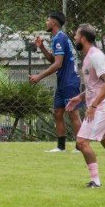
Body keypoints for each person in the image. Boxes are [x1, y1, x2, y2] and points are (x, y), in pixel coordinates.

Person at [65, 24, 105, 188]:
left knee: (82, 142)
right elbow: (95, 86)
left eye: (76, 36)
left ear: (83, 38)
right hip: (102, 106)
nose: (75, 38)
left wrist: (93, 106)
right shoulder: (89, 56)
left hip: (102, 107)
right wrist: (79, 97)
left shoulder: (96, 56)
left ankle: (95, 181)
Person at [29, 12, 82, 153]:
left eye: (47, 20)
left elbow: (58, 64)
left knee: (73, 114)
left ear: (53, 23)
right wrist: (42, 47)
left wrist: (39, 77)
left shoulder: (59, 38)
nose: (46, 22)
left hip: (69, 81)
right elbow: (54, 60)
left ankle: (80, 147)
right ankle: (61, 147)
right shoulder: (57, 38)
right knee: (58, 112)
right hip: (63, 82)